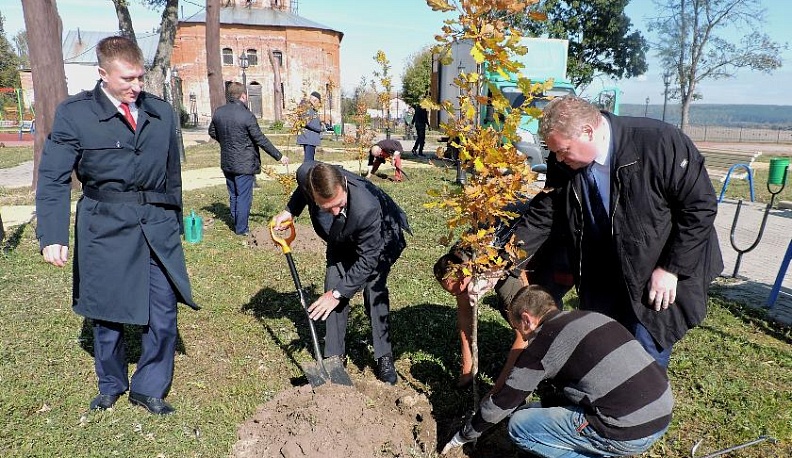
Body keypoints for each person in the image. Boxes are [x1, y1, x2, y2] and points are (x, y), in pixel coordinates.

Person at [35, 35, 199, 415]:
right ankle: (111, 382)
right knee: (107, 310)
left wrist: (174, 221)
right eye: (127, 79)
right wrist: (53, 235)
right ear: (102, 74)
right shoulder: (75, 115)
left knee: (162, 307)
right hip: (104, 224)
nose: (136, 87)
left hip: (155, 223)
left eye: (139, 78)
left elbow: (172, 174)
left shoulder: (160, 113)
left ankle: (149, 386)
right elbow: (53, 178)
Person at [511, 95, 723, 367]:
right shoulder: (564, 161)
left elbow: (700, 207)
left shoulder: (659, 143)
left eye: (564, 150)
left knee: (643, 356)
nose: (559, 159)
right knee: (602, 345)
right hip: (603, 272)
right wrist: (505, 256)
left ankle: (641, 405)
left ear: (588, 131)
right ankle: (599, 401)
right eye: (555, 152)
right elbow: (546, 213)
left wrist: (671, 268)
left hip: (656, 274)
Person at [441, 285, 673, 457]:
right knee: (539, 407)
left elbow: (503, 402)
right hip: (661, 412)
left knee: (521, 424)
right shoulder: (591, 317)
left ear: (527, 319)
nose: (522, 337)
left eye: (518, 329)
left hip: (627, 431)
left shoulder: (542, 345)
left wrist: (463, 435)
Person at [272, 161, 411, 384]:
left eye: (338, 204)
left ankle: (384, 356)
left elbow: (367, 260)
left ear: (343, 186)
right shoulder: (309, 175)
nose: (335, 212)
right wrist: (289, 211)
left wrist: (338, 293)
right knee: (333, 285)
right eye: (327, 208)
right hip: (341, 238)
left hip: (381, 240)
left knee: (373, 290)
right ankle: (334, 358)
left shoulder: (367, 207)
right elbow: (302, 189)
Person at [209, 82, 289, 235]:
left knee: (233, 194)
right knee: (244, 196)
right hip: (244, 163)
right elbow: (260, 139)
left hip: (227, 161)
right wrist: (279, 156)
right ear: (243, 96)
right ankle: (241, 229)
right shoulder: (247, 115)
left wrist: (226, 142)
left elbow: (212, 131)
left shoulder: (219, 112)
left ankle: (236, 220)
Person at [296, 91, 322, 162]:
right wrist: (319, 129)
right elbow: (305, 122)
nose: (318, 104)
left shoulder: (310, 109)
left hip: (311, 139)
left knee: (310, 161)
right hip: (309, 139)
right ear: (315, 100)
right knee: (308, 162)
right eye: (318, 102)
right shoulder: (306, 108)